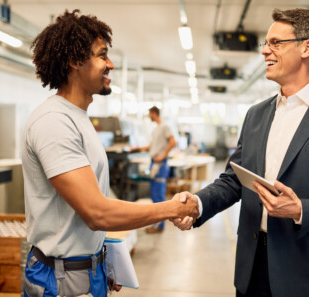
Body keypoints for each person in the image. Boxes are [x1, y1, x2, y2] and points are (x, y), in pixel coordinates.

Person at [172, 8, 309, 297]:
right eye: (265, 43)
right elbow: (235, 179)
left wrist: (301, 210)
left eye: (276, 43)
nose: (265, 51)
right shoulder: (257, 114)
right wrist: (198, 203)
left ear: (307, 47)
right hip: (253, 268)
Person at [22, 10, 198, 297]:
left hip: (84, 271)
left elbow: (90, 212)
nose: (111, 64)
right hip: (59, 280)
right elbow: (96, 212)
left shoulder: (79, 118)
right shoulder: (53, 122)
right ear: (75, 61)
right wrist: (173, 209)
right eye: (102, 55)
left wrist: (100, 263)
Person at [130, 106, 177, 233]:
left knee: (158, 196)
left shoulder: (164, 126)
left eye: (149, 114)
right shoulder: (156, 129)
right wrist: (136, 149)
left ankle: (159, 226)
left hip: (160, 164)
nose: (149, 116)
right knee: (154, 195)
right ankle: (157, 225)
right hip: (154, 163)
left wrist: (163, 155)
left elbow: (173, 142)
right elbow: (152, 146)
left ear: (154, 113)